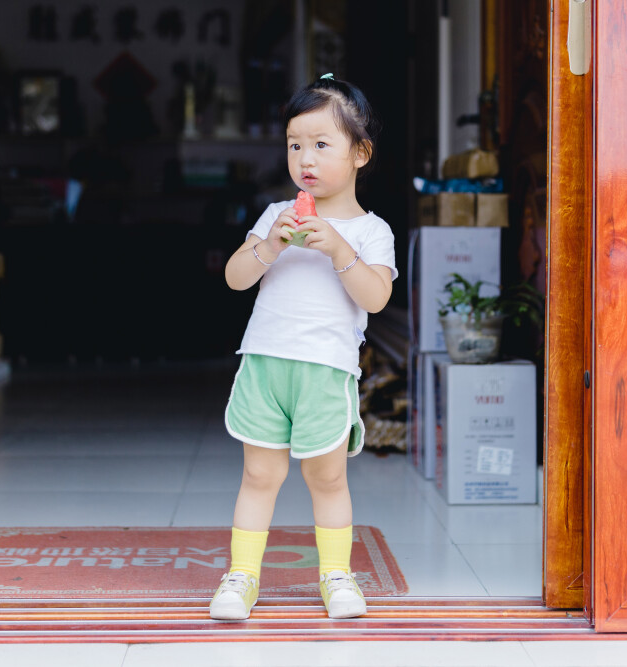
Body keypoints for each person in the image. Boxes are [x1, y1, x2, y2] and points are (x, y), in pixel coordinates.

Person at [209, 74, 396, 621]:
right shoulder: (276, 217)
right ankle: (241, 576)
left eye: (321, 145)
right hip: (265, 367)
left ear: (361, 153)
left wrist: (338, 249)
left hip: (325, 373)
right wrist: (269, 245)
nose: (305, 159)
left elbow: (377, 297)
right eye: (295, 145)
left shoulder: (370, 232)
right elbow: (235, 279)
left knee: (328, 477)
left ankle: (337, 576)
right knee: (259, 476)